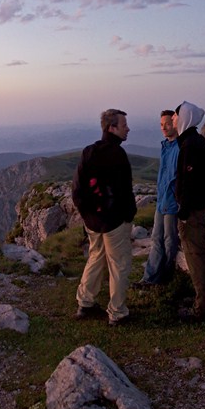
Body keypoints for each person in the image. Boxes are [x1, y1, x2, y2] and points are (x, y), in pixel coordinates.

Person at [70, 108, 137, 326]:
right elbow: (125, 191)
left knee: (96, 257)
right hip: (115, 221)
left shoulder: (89, 151)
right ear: (112, 128)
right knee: (119, 264)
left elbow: (77, 189)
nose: (128, 129)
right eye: (124, 125)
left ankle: (85, 303)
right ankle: (117, 313)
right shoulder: (117, 155)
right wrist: (128, 215)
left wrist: (88, 215)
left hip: (93, 221)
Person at [173, 101, 205, 321]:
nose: (173, 119)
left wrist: (183, 210)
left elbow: (189, 180)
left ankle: (202, 308)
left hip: (193, 210)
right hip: (197, 207)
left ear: (185, 118)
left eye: (176, 116)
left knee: (195, 254)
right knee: (199, 252)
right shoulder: (195, 141)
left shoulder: (190, 145)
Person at [135, 110, 180, 288]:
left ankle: (165, 278)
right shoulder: (165, 146)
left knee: (169, 240)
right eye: (161, 124)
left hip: (172, 202)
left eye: (167, 124)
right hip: (162, 201)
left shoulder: (179, 147)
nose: (163, 127)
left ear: (175, 124)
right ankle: (149, 278)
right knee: (156, 238)